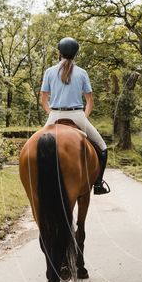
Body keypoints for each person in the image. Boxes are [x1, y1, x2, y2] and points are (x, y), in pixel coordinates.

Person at [41, 37, 110, 195]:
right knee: (102, 147)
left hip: (55, 114)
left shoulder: (49, 72)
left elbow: (43, 100)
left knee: (38, 144)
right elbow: (89, 101)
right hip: (77, 114)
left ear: (59, 52)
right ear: (75, 54)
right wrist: (84, 116)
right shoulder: (82, 73)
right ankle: (98, 184)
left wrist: (51, 113)